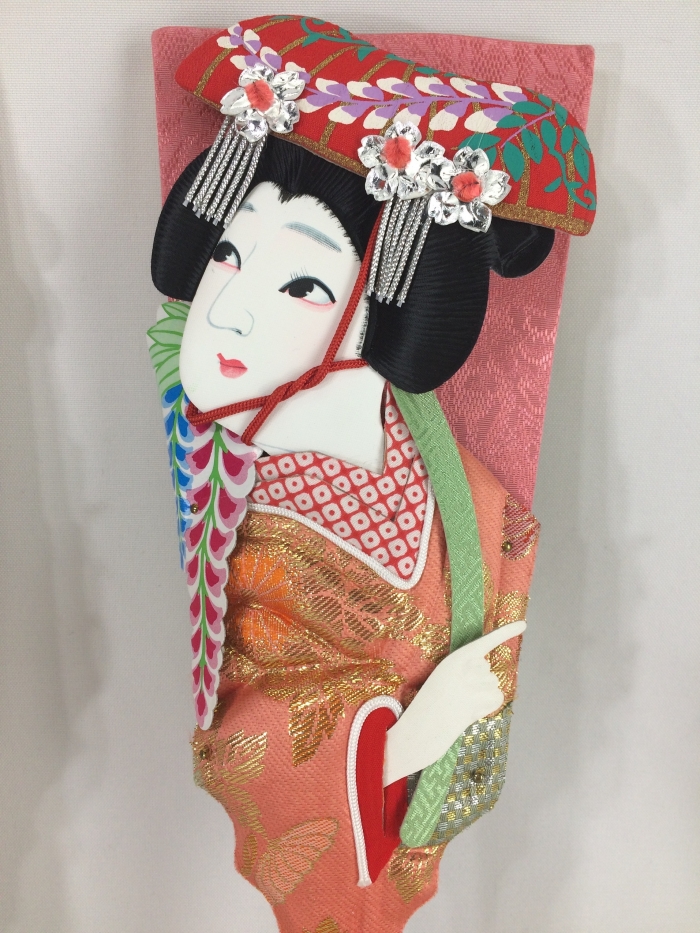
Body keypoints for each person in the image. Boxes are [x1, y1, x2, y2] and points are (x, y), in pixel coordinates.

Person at [149, 16, 596, 933]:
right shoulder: (238, 491)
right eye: (229, 252)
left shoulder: (474, 500)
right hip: (346, 822)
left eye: (302, 285)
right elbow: (244, 737)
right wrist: (405, 742)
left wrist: (451, 724)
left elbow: (500, 600)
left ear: (382, 308)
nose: (226, 309)